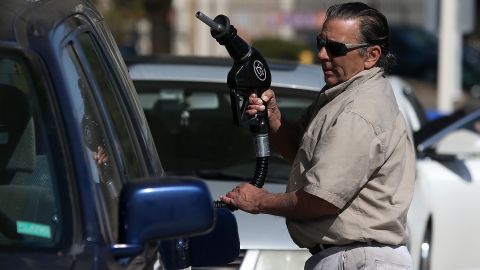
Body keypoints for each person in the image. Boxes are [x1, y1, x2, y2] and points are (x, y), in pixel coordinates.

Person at [220, 2, 415, 269]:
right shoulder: (341, 95)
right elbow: (302, 154)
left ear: (372, 55)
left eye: (335, 48)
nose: (323, 54)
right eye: (320, 43)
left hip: (359, 259)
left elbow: (321, 199)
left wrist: (259, 201)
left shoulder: (359, 111)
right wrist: (274, 117)